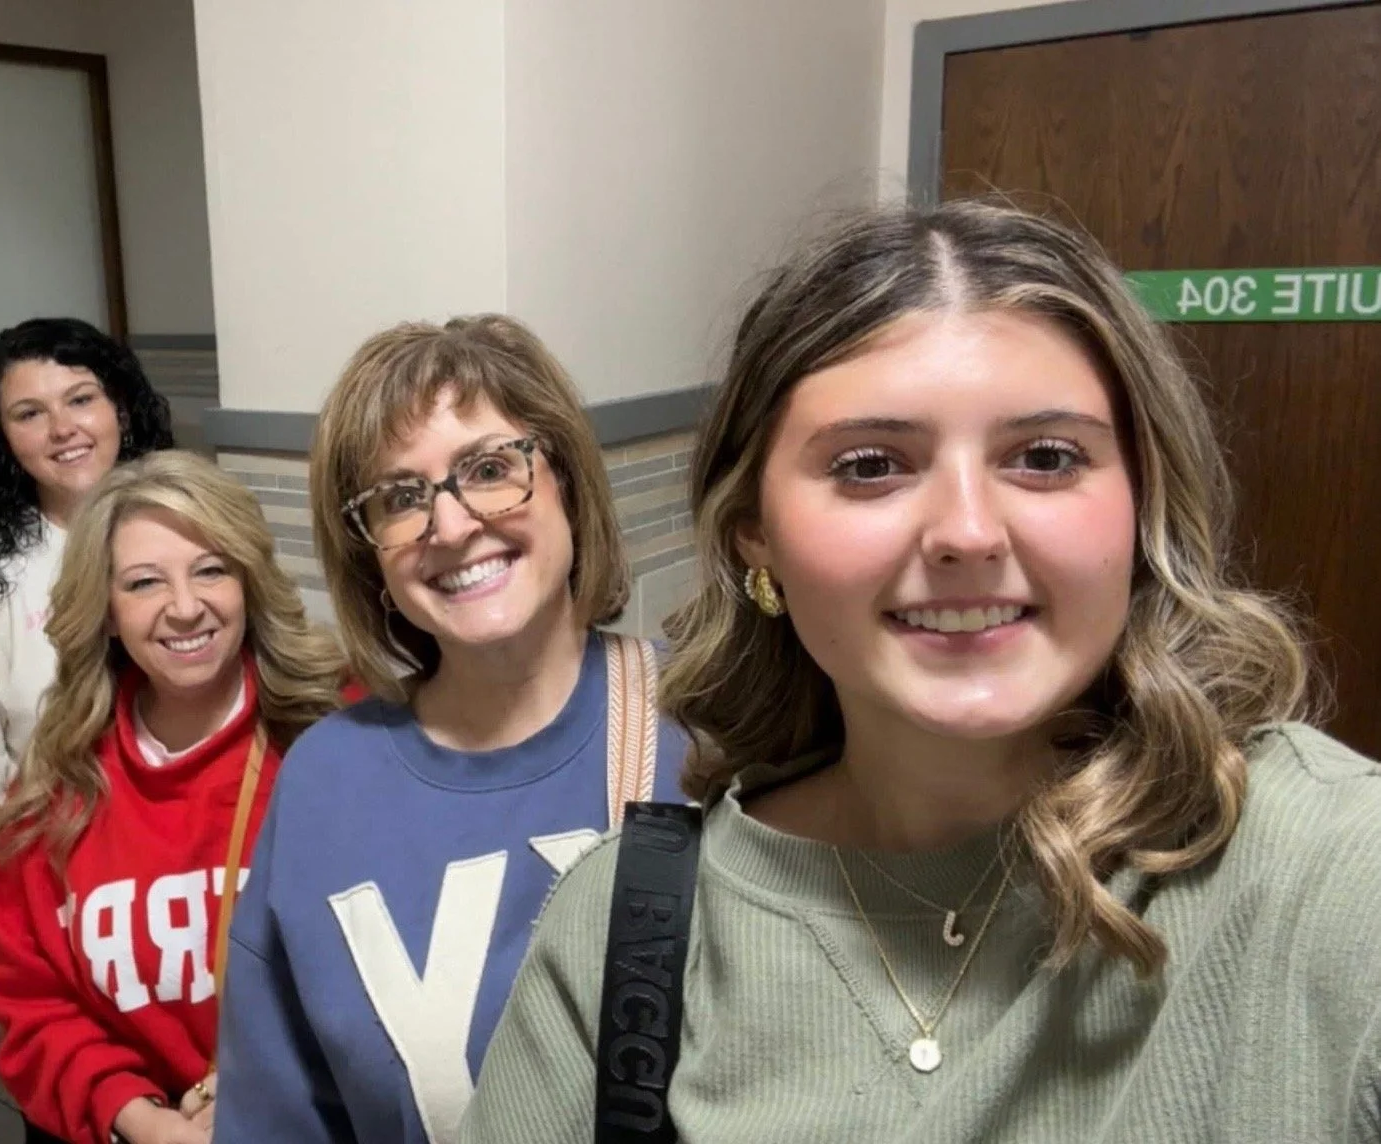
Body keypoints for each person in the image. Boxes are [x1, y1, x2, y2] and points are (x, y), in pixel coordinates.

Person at [462, 201, 1381, 1142]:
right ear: (757, 538)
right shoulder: (627, 934)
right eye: (870, 466)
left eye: (1046, 457)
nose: (969, 533)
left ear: (1142, 502)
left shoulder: (1336, 874)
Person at [212, 314, 688, 1144]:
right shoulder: (328, 782)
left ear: (568, 480)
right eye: (401, 497)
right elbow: (279, 1117)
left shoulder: (709, 727)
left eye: (491, 468)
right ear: (373, 560)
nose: (453, 522)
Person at [0, 450, 354, 1144]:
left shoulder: (339, 740)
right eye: (145, 583)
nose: (185, 608)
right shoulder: (52, 789)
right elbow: (29, 1005)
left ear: (249, 584)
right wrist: (136, 1117)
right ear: (107, 613)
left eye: (211, 569)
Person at [0, 317, 174, 1078]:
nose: (64, 429)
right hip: (62, 915)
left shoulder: (197, 530)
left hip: (205, 896)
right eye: (30, 413)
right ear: (3, 437)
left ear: (120, 405)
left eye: (81, 398)